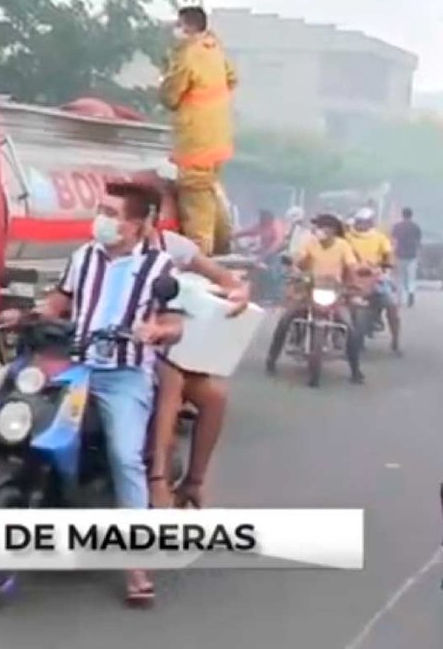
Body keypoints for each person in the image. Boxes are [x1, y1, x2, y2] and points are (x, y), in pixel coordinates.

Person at [27, 181, 184, 605]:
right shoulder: (84, 256)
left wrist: (156, 330)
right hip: (73, 366)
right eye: (101, 210)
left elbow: (176, 325)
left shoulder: (159, 268)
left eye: (111, 213)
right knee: (9, 401)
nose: (102, 219)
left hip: (124, 376)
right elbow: (61, 300)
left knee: (124, 455)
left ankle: (136, 564)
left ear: (134, 225)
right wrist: (36, 312)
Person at [139, 216, 250, 511]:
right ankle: (157, 476)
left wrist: (237, 295)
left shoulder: (173, 247)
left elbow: (225, 279)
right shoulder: (112, 250)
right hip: (134, 344)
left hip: (170, 342)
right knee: (172, 381)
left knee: (215, 397)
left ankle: (194, 482)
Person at [159, 6, 237, 256]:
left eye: (179, 25)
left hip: (196, 143)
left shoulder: (188, 54)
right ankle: (217, 250)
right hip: (217, 139)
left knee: (197, 215)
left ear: (189, 27)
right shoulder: (214, 49)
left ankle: (199, 264)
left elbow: (170, 95)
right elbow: (232, 78)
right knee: (208, 196)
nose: (177, 30)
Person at [266, 214, 361, 382]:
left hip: (334, 293)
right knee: (285, 319)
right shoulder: (311, 244)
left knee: (350, 329)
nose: (321, 230)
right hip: (309, 291)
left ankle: (355, 370)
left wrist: (354, 281)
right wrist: (295, 265)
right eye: (319, 227)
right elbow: (299, 260)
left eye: (325, 227)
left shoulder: (343, 246)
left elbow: (352, 266)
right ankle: (271, 359)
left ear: (334, 230)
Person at [345, 207, 400, 354]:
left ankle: (395, 340)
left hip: (375, 276)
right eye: (359, 222)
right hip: (352, 277)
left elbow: (388, 254)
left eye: (365, 222)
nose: (361, 225)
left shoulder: (380, 238)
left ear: (371, 223)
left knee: (392, 304)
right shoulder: (347, 237)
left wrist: (388, 264)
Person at [390, 207, 421, 308]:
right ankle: (411, 292)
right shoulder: (416, 227)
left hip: (400, 254)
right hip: (412, 255)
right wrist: (418, 254)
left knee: (400, 277)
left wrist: (392, 252)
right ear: (411, 215)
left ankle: (400, 299)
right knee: (411, 277)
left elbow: (394, 241)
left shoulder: (397, 227)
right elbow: (418, 242)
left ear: (402, 215)